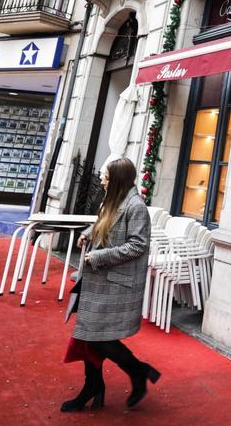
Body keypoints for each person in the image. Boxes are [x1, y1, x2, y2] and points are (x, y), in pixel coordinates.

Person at [61, 157, 160, 412]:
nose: (102, 180)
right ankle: (96, 385)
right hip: (98, 281)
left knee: (98, 339)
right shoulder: (112, 199)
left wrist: (101, 256)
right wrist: (86, 234)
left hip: (114, 285)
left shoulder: (136, 207)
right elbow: (100, 225)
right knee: (89, 338)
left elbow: (138, 245)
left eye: (106, 177)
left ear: (118, 179)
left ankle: (136, 372)